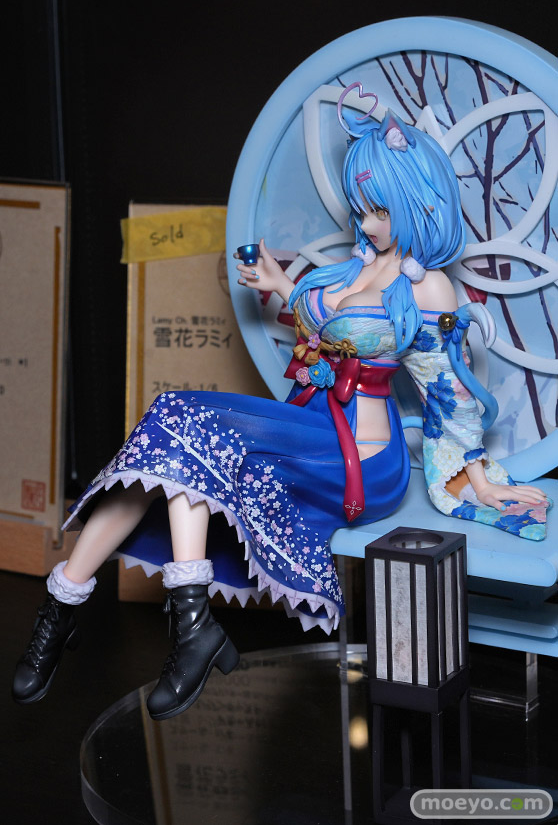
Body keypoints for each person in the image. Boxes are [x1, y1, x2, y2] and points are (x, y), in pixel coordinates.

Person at [12, 87, 549, 721]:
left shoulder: (429, 289)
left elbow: (446, 394)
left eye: (380, 210)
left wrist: (475, 478)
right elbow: (332, 323)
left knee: (183, 423)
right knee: (171, 432)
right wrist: (283, 286)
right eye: (362, 209)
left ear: (415, 200)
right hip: (308, 421)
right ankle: (79, 608)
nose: (367, 223)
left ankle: (158, 625)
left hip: (361, 455)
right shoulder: (357, 266)